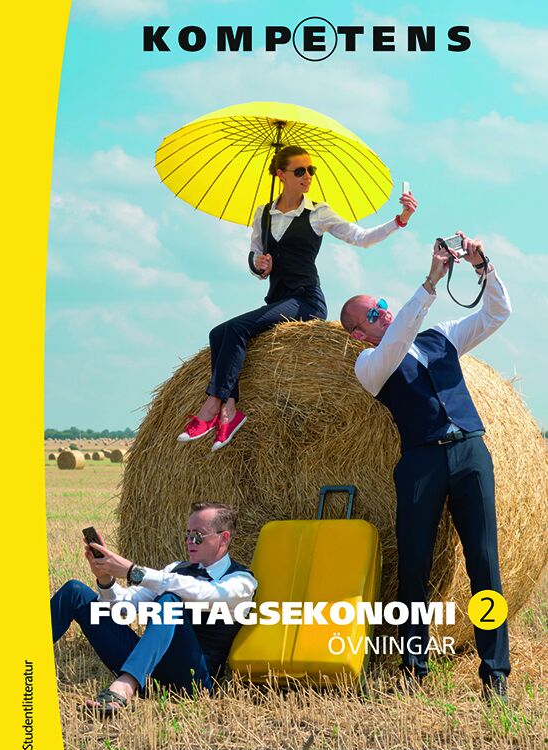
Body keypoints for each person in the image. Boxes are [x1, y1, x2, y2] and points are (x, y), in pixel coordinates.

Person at [340, 231, 511, 700]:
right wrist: (430, 283)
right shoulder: (370, 363)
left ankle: (495, 672)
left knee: (485, 564)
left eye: (382, 305)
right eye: (372, 314)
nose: (383, 312)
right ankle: (413, 666)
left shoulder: (443, 336)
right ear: (359, 334)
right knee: (413, 565)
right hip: (421, 462)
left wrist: (483, 266)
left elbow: (497, 314)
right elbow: (397, 340)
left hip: (470, 452)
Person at [178, 145, 418, 451]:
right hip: (278, 301)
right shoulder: (263, 214)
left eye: (311, 170)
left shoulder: (318, 212)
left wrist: (400, 219)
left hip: (306, 301)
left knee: (237, 329)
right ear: (281, 175)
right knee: (218, 333)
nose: (308, 176)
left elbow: (362, 238)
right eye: (300, 171)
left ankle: (213, 405)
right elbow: (254, 256)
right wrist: (259, 265)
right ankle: (230, 408)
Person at [50, 502, 257, 714]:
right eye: (187, 535)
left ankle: (125, 686)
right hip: (149, 669)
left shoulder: (241, 581)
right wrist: (105, 579)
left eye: (197, 536)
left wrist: (133, 571)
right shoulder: (176, 569)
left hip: (191, 681)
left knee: (169, 600)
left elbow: (203, 593)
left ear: (223, 538)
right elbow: (123, 607)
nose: (189, 541)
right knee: (75, 591)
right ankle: (28, 653)